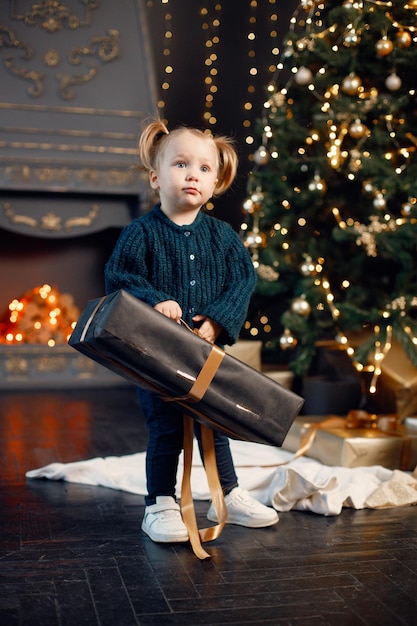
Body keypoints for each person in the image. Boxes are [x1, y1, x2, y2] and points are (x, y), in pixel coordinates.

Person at [105, 118, 278, 543]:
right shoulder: (140, 234)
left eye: (203, 168)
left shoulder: (222, 237)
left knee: (214, 424)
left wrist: (218, 318)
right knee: (166, 426)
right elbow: (119, 276)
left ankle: (228, 494)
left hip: (207, 353)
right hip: (156, 356)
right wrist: (152, 299)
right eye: (181, 164)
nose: (192, 175)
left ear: (215, 182)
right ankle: (160, 504)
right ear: (156, 177)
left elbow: (243, 280)